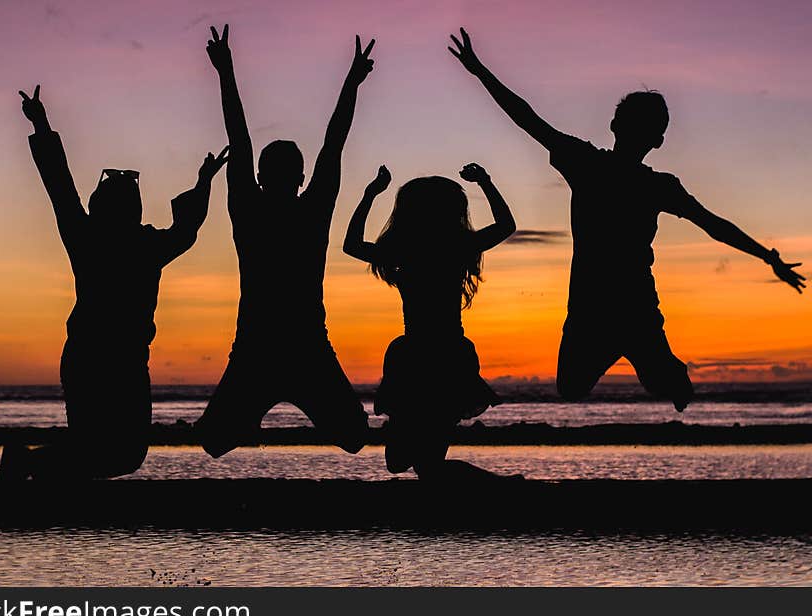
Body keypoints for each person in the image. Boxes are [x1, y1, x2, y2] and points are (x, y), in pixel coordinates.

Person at [448, 28, 806, 411]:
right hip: (591, 308)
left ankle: (665, 369)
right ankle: (655, 363)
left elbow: (713, 225)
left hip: (633, 307)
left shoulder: (639, 180)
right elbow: (528, 119)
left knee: (650, 383)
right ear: (641, 135)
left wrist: (480, 72)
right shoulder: (591, 165)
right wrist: (480, 72)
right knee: (571, 388)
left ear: (628, 131)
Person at [0, 84, 227, 480]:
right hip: (106, 361)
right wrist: (203, 182)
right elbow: (185, 229)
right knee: (116, 454)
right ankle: (29, 467)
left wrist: (42, 124)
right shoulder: (140, 243)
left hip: (105, 360)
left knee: (113, 453)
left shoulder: (91, 237)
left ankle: (29, 465)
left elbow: (60, 186)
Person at [196, 25, 375, 457]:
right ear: (300, 177)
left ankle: (250, 417)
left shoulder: (252, 207)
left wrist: (226, 72)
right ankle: (250, 416)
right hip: (291, 345)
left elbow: (240, 139)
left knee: (215, 440)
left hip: (278, 345)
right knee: (352, 436)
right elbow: (333, 143)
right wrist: (351, 83)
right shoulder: (308, 210)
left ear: (262, 176)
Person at [343, 163, 517, 480]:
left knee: (423, 465)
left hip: (430, 357)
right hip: (438, 355)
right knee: (406, 463)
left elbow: (351, 244)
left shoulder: (411, 251)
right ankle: (499, 488)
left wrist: (370, 194)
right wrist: (485, 182)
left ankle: (502, 488)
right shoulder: (451, 247)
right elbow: (505, 226)